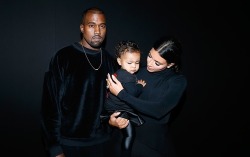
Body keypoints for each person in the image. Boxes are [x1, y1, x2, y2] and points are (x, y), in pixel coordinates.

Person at [40, 7, 127, 157]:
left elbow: (114, 101)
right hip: (71, 145)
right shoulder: (64, 58)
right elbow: (50, 106)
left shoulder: (111, 62)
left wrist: (113, 120)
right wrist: (55, 148)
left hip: (104, 143)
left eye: (102, 26)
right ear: (82, 28)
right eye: (91, 25)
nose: (98, 31)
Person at [108, 36, 187, 157]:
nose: (149, 63)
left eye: (157, 63)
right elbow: (116, 101)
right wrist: (112, 119)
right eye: (150, 56)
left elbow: (159, 110)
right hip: (123, 137)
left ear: (170, 64)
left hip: (150, 146)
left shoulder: (177, 81)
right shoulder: (137, 70)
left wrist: (121, 94)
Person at [103, 40, 146, 157]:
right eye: (130, 63)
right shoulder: (128, 77)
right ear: (119, 61)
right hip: (120, 110)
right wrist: (140, 86)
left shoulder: (118, 73)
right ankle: (126, 153)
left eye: (137, 63)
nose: (134, 66)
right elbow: (133, 92)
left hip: (110, 107)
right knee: (129, 135)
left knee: (115, 134)